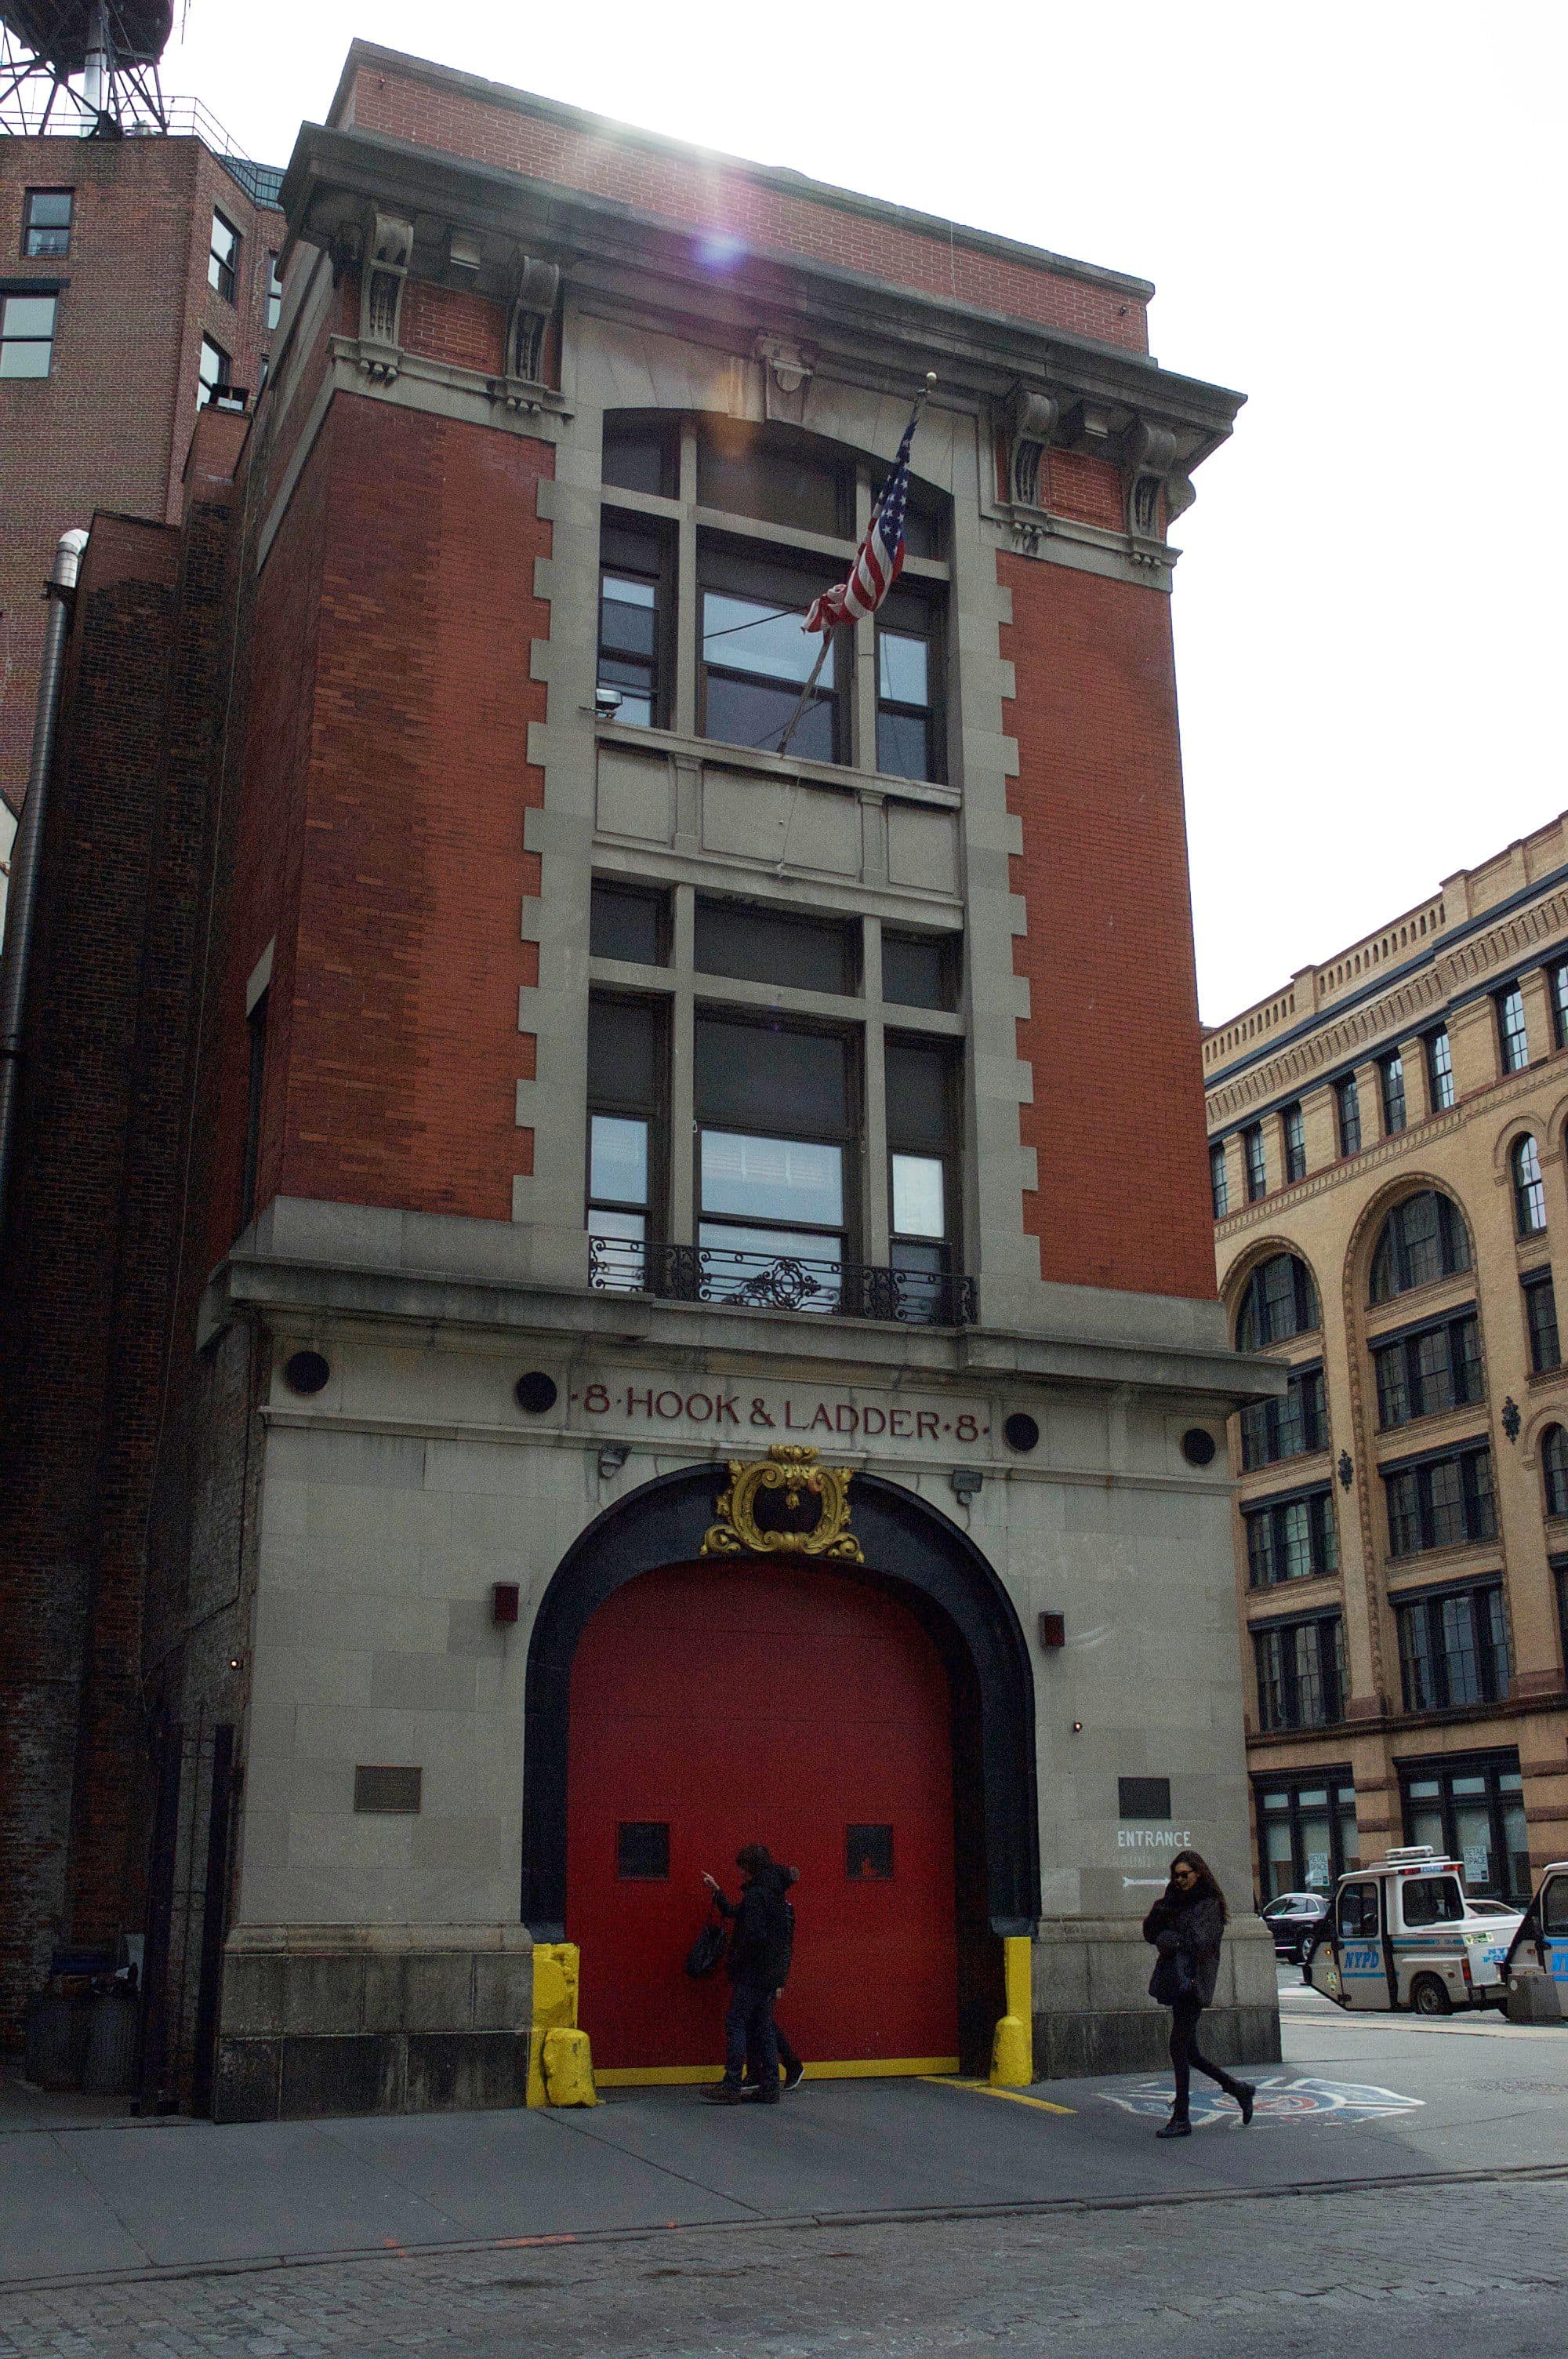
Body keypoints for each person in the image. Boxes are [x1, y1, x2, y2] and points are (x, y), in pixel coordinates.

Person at [1142, 1848, 1256, 2138]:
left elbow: (1196, 1942)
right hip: (1176, 1980)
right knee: (1188, 2050)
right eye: (1175, 1876)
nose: (1179, 1881)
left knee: (1178, 2046)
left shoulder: (1209, 1904)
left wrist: (1168, 1938)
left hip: (1193, 1983)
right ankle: (1238, 2089)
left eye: (1184, 1875)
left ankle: (1182, 2117)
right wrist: (1163, 1913)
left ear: (1198, 1873)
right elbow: (1150, 1933)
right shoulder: (1172, 1902)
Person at [700, 1844, 793, 2104]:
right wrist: (717, 1891)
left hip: (752, 1974)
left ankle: (731, 2085)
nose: (740, 1872)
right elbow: (736, 1913)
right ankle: (770, 2087)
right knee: (763, 2027)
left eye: (742, 1867)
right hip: (769, 1974)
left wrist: (736, 1962)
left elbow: (751, 1934)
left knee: (736, 2023)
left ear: (749, 1867)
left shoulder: (755, 1896)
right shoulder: (774, 1893)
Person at [741, 1863, 805, 2097]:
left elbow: (784, 1948)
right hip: (768, 1974)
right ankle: (781, 2067)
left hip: (768, 1975)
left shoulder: (779, 1908)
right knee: (760, 2021)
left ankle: (786, 2065)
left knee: (762, 2022)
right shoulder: (780, 1906)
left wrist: (780, 1981)